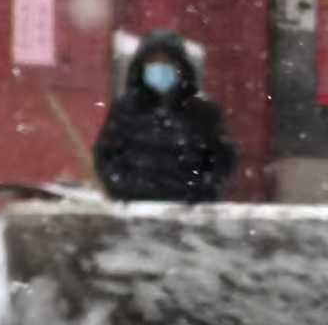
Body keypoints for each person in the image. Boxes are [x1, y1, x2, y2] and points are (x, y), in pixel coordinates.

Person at [94, 29, 237, 204]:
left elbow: (222, 160)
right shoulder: (125, 109)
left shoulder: (203, 112)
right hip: (134, 210)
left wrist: (202, 192)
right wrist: (121, 188)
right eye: (153, 62)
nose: (160, 68)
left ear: (181, 67)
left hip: (188, 212)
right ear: (141, 67)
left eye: (167, 62)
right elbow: (105, 155)